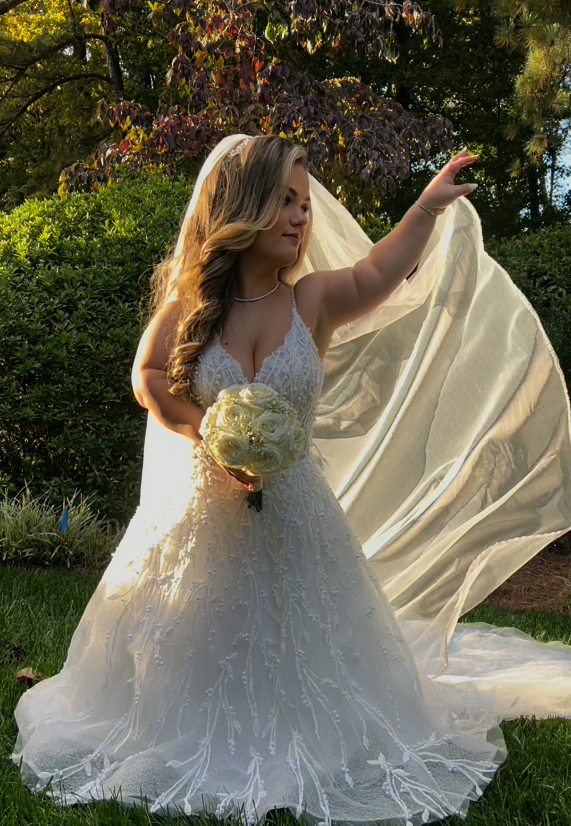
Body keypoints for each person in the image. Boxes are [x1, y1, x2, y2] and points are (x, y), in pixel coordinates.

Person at [11, 134, 571, 826]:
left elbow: (376, 273)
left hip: (295, 512)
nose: (299, 217)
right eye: (282, 201)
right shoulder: (188, 311)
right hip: (200, 511)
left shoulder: (310, 302)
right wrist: (206, 434)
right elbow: (148, 378)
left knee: (308, 641)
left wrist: (425, 208)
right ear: (241, 208)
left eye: (304, 204)